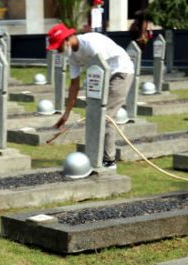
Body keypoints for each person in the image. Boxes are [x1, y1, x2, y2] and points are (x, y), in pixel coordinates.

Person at [47, 24, 134, 170]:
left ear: (66, 40)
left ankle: (109, 160)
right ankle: (96, 156)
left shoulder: (92, 44)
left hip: (121, 72)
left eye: (58, 47)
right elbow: (74, 85)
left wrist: (91, 86)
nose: (58, 51)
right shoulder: (72, 56)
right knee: (96, 115)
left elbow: (103, 69)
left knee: (105, 117)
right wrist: (66, 114)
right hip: (103, 77)